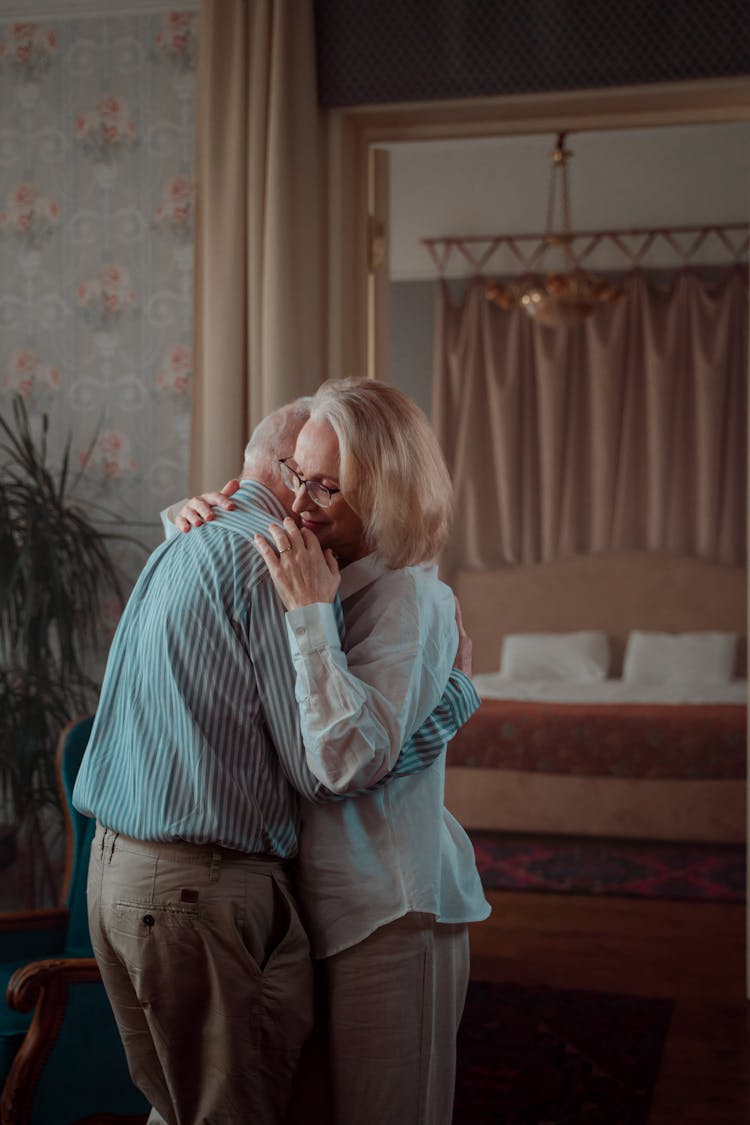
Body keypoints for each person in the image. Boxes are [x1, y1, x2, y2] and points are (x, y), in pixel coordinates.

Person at [75, 399, 480, 1125]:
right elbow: (313, 759)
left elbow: (337, 765)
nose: (297, 503)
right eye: (297, 475)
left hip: (385, 900)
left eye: (325, 484)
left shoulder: (403, 597)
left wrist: (451, 703)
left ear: (383, 487)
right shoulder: (291, 563)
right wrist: (451, 707)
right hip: (258, 895)